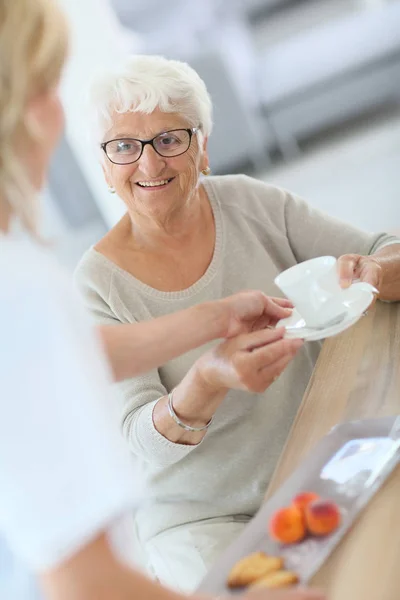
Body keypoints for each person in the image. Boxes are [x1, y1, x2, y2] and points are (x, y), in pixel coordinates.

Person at [0, 2, 319, 600]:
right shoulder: (25, 287)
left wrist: (213, 316)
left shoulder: (20, 288)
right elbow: (83, 582)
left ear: (201, 144)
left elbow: (63, 353)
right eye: (44, 87)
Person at [74, 54, 400, 592]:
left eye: (170, 139)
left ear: (202, 148)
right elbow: (137, 438)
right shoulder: (96, 283)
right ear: (106, 166)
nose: (149, 165)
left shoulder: (252, 203)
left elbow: (384, 252)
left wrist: (370, 272)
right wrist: (206, 382)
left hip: (316, 461)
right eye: (125, 146)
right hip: (201, 517)